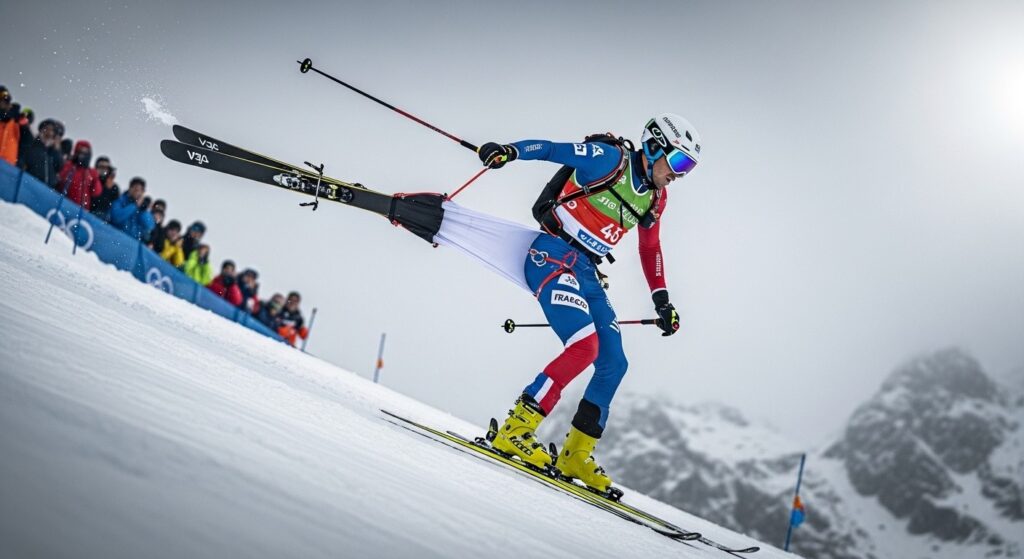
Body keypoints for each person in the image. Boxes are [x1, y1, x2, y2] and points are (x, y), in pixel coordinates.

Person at [473, 113, 700, 493]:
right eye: (678, 162)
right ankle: (516, 429)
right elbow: (549, 149)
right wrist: (509, 152)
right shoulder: (610, 159)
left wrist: (662, 301)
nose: (679, 173)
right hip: (551, 254)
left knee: (613, 363)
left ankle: (575, 454)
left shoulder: (656, 199)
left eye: (688, 167)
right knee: (584, 347)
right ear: (655, 146)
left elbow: (650, 248)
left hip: (587, 272)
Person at [56, 140, 103, 210]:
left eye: (85, 153)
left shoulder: (91, 172)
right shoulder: (69, 166)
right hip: (63, 203)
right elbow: (60, 179)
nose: (82, 155)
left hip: (80, 210)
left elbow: (96, 192)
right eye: (81, 152)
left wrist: (95, 179)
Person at [18, 118, 64, 188]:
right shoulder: (31, 145)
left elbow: (59, 167)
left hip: (46, 191)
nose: (49, 133)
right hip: (28, 186)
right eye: (47, 129)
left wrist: (57, 150)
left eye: (52, 131)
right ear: (41, 130)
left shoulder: (52, 152)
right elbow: (21, 162)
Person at [109, 177, 156, 241]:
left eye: (141, 190)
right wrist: (134, 206)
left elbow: (150, 226)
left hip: (131, 244)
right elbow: (116, 218)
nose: (137, 192)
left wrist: (143, 210)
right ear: (130, 189)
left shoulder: (143, 209)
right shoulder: (120, 201)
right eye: (136, 189)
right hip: (115, 238)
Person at [0, 86, 21, 165]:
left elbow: (27, 142)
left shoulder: (15, 124)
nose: (3, 104)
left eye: (6, 102)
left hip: (7, 170)